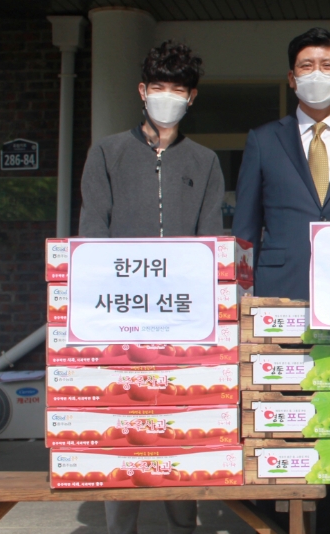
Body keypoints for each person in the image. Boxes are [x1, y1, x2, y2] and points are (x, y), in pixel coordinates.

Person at [232, 27, 330, 534]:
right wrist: (246, 298)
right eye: (306, 66)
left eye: (326, 65)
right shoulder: (263, 139)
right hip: (282, 295)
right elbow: (244, 230)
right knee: (284, 407)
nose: (316, 75)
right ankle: (281, 516)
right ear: (291, 77)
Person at [79, 41, 224, 534]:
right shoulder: (108, 152)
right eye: (158, 87)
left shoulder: (204, 161)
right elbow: (91, 236)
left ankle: (186, 522)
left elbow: (211, 243)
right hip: (119, 318)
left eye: (177, 90)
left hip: (185, 320)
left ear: (191, 98)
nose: (167, 97)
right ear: (142, 91)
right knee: (125, 430)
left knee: (181, 429)